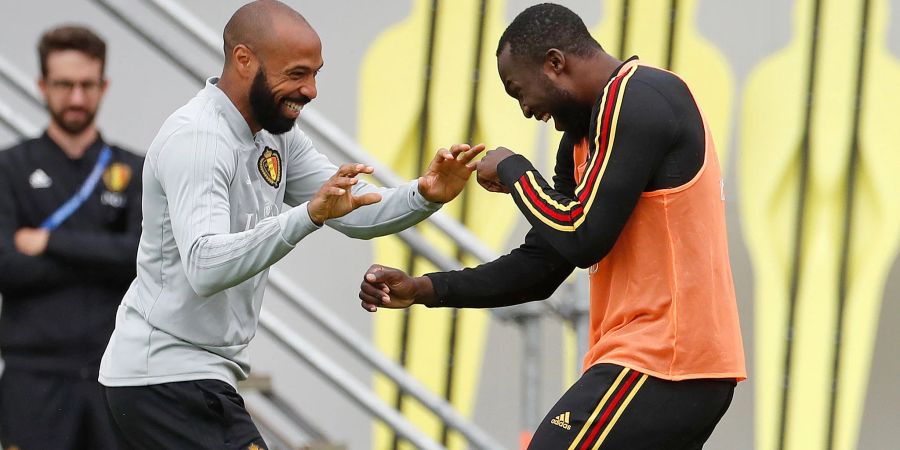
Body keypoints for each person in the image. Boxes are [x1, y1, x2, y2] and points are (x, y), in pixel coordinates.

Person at [359, 3, 746, 449]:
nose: (526, 110)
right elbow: (543, 264)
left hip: (665, 360)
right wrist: (424, 289)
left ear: (555, 63)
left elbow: (583, 237)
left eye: (519, 91)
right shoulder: (583, 137)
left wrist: (515, 170)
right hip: (663, 365)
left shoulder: (639, 97)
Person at [98, 1, 483, 448]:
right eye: (297, 73)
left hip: (189, 376)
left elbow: (352, 210)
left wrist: (425, 194)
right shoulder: (198, 139)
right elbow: (206, 267)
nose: (312, 90)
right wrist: (306, 216)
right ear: (244, 60)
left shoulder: (273, 134)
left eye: (316, 73)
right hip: (164, 377)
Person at [0, 25, 143, 449]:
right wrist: (103, 256)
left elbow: (142, 259)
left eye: (87, 85)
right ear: (42, 86)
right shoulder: (9, 168)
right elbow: (5, 266)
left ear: (104, 86)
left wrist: (49, 243)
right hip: (33, 379)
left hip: (115, 375)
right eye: (64, 85)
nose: (77, 98)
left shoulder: (134, 170)